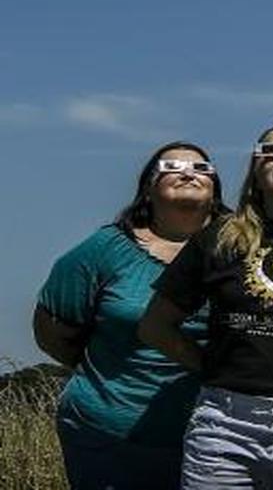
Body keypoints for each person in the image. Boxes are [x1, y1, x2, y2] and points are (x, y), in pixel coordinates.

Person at [138, 123, 273, 489]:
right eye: (270, 152)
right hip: (225, 427)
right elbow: (155, 327)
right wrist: (210, 365)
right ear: (255, 169)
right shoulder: (219, 238)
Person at [34, 141, 226, 490]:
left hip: (219, 435)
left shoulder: (241, 251)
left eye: (201, 169)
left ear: (215, 190)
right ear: (148, 190)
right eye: (172, 168)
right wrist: (108, 376)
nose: (188, 173)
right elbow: (53, 331)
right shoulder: (104, 250)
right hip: (108, 435)